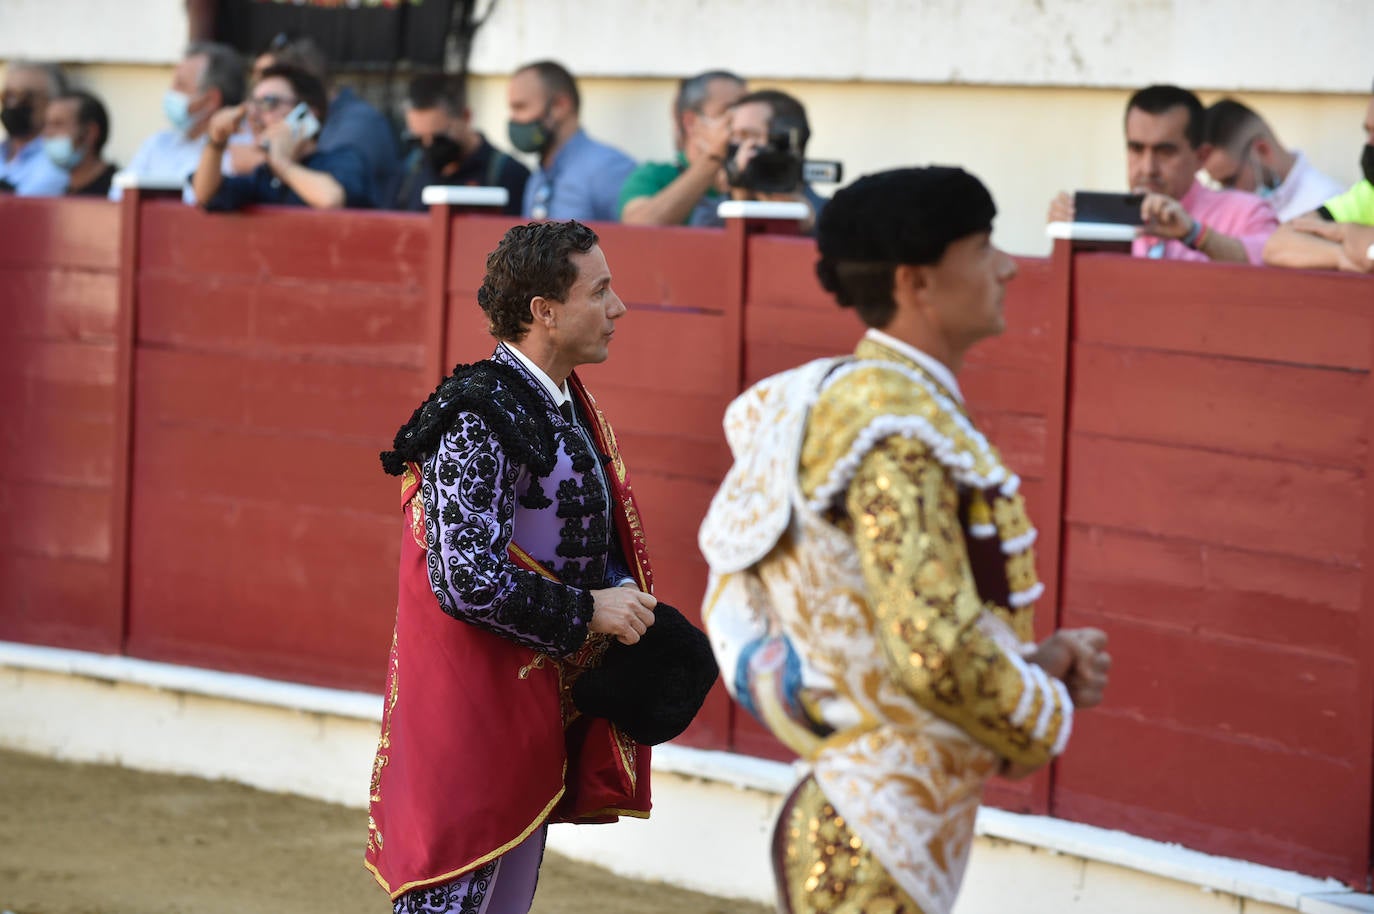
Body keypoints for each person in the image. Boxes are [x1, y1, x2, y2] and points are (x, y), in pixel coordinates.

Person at [700, 166, 1111, 914]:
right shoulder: (895, 428)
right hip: (871, 827)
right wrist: (1043, 699)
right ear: (918, 283)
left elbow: (888, 615)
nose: (1009, 265)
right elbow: (932, 645)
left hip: (873, 807)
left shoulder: (879, 404)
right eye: (984, 246)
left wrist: (1029, 660)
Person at [366, 220, 662, 913]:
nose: (618, 309)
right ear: (544, 311)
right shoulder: (479, 415)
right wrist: (588, 611)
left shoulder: (554, 400)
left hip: (524, 698)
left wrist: (619, 591)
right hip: (474, 706)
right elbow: (465, 578)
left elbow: (572, 534)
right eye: (601, 291)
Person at [1048, 84, 1277, 264]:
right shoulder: (1102, 221)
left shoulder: (1247, 213)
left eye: (1165, 152)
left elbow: (1274, 263)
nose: (1148, 168)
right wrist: (1065, 237)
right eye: (1136, 149)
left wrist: (1195, 234)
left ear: (1201, 157)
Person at [243, 35, 401, 207]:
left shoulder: (359, 123)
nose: (256, 111)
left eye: (269, 100)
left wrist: (276, 157)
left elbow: (329, 191)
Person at [192, 63, 373, 211]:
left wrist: (281, 162)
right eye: (254, 104)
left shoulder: (343, 160)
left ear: (306, 115)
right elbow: (205, 194)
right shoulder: (265, 176)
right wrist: (216, 140)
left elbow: (331, 199)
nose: (254, 115)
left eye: (269, 103)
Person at [111, 42, 246, 201]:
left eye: (180, 85)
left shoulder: (243, 152)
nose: (170, 92)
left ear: (211, 100)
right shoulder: (158, 144)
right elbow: (118, 199)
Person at [1263, 84, 1374, 274]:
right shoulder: (1368, 194)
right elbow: (1278, 244)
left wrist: (1353, 238)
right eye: (1369, 132)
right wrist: (1342, 255)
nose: (1370, 143)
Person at [507, 60, 636, 222]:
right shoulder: (538, 177)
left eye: (520, 107)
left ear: (560, 106)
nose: (513, 119)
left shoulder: (607, 168)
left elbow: (636, 240)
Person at [618, 70, 746, 226]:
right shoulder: (655, 175)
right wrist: (713, 159)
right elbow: (638, 227)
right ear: (691, 122)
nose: (742, 123)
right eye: (730, 112)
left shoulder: (755, 170)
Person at [396, 72, 528, 214]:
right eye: (418, 139)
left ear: (466, 116)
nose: (428, 145)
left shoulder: (508, 174)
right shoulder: (410, 172)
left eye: (439, 138)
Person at [1200, 98, 1344, 223]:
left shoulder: (1326, 204)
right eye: (1218, 185)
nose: (1226, 194)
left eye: (1230, 181)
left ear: (1262, 150)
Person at [0, 60, 70, 196]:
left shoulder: (58, 158)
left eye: (26, 97)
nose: (13, 104)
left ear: (53, 102)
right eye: (7, 95)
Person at [42, 89, 117, 197]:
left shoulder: (116, 191)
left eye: (57, 124)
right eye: (47, 124)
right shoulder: (58, 191)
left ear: (90, 133)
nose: (47, 133)